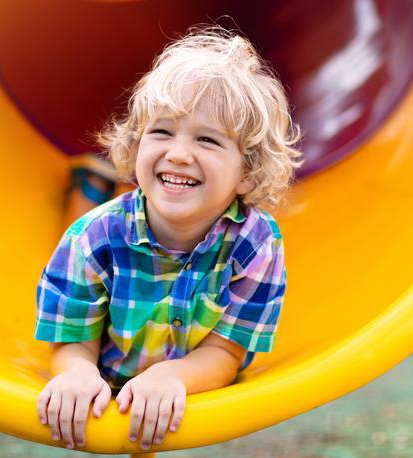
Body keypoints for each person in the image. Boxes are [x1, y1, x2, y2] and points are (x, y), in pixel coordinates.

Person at [35, 25, 303, 451]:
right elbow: (71, 341)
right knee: (89, 226)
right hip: (111, 324)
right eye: (161, 133)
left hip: (182, 357)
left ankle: (92, 182)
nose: (178, 153)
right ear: (136, 144)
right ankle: (88, 185)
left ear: (247, 173)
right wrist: (77, 372)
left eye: (207, 139)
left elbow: (226, 353)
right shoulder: (91, 238)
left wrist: (172, 375)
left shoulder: (256, 244)